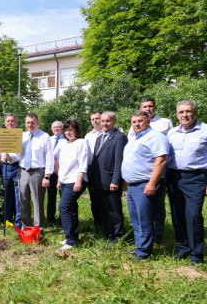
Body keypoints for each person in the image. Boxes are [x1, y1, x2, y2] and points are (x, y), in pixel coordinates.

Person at [166, 100, 207, 266]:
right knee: (177, 214)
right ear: (177, 114)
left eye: (188, 111)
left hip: (196, 177)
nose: (184, 115)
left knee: (193, 215)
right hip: (174, 177)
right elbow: (167, 159)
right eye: (181, 112)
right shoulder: (172, 133)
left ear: (195, 112)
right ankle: (183, 248)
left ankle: (196, 254)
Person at [121, 111, 169, 261]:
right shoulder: (134, 138)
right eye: (134, 122)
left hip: (145, 184)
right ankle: (139, 247)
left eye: (140, 121)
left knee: (145, 219)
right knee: (136, 219)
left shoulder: (156, 137)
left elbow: (161, 161)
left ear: (148, 121)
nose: (136, 124)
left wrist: (152, 183)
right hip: (133, 185)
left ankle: (145, 252)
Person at [128, 98, 173, 242]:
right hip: (138, 172)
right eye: (144, 106)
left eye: (150, 106)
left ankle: (158, 234)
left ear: (155, 107)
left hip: (155, 172)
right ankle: (144, 240)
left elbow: (165, 152)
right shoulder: (135, 125)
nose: (147, 108)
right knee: (141, 212)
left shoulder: (164, 123)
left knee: (158, 206)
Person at [88, 112, 128, 243]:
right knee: (101, 209)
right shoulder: (100, 138)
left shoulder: (119, 137)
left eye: (108, 121)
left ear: (114, 122)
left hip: (111, 181)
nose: (104, 123)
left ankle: (117, 236)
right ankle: (105, 233)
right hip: (98, 180)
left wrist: (116, 180)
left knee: (113, 211)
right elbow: (95, 160)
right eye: (103, 121)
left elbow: (119, 160)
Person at [55, 119, 89, 250]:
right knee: (71, 209)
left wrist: (79, 180)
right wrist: (59, 180)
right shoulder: (64, 144)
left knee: (64, 207)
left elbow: (83, 162)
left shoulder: (81, 142)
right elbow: (62, 164)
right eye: (66, 130)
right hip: (64, 180)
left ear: (76, 130)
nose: (68, 132)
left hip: (74, 180)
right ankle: (73, 237)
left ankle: (70, 240)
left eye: (71, 130)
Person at [19, 113, 53, 229]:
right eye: (28, 122)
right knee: (23, 200)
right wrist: (9, 157)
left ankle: (38, 227)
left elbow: (49, 157)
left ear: (38, 123)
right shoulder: (21, 136)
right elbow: (17, 154)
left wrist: (47, 176)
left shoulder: (45, 136)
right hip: (23, 172)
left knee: (37, 201)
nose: (30, 125)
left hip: (38, 172)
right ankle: (25, 226)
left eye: (33, 122)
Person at [1, 114, 22, 228]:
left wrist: (11, 158)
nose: (10, 123)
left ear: (16, 123)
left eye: (12, 121)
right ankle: (7, 221)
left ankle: (19, 222)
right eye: (8, 121)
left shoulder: (21, 135)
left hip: (17, 166)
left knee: (18, 195)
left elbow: (20, 155)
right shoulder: (1, 135)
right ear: (5, 123)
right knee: (6, 195)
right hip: (5, 167)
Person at [47, 121, 65, 228]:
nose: (56, 129)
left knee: (63, 196)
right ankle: (50, 219)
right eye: (54, 127)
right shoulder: (48, 139)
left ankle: (63, 219)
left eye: (58, 127)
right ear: (52, 129)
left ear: (62, 128)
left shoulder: (66, 139)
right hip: (51, 172)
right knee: (51, 196)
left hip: (63, 172)